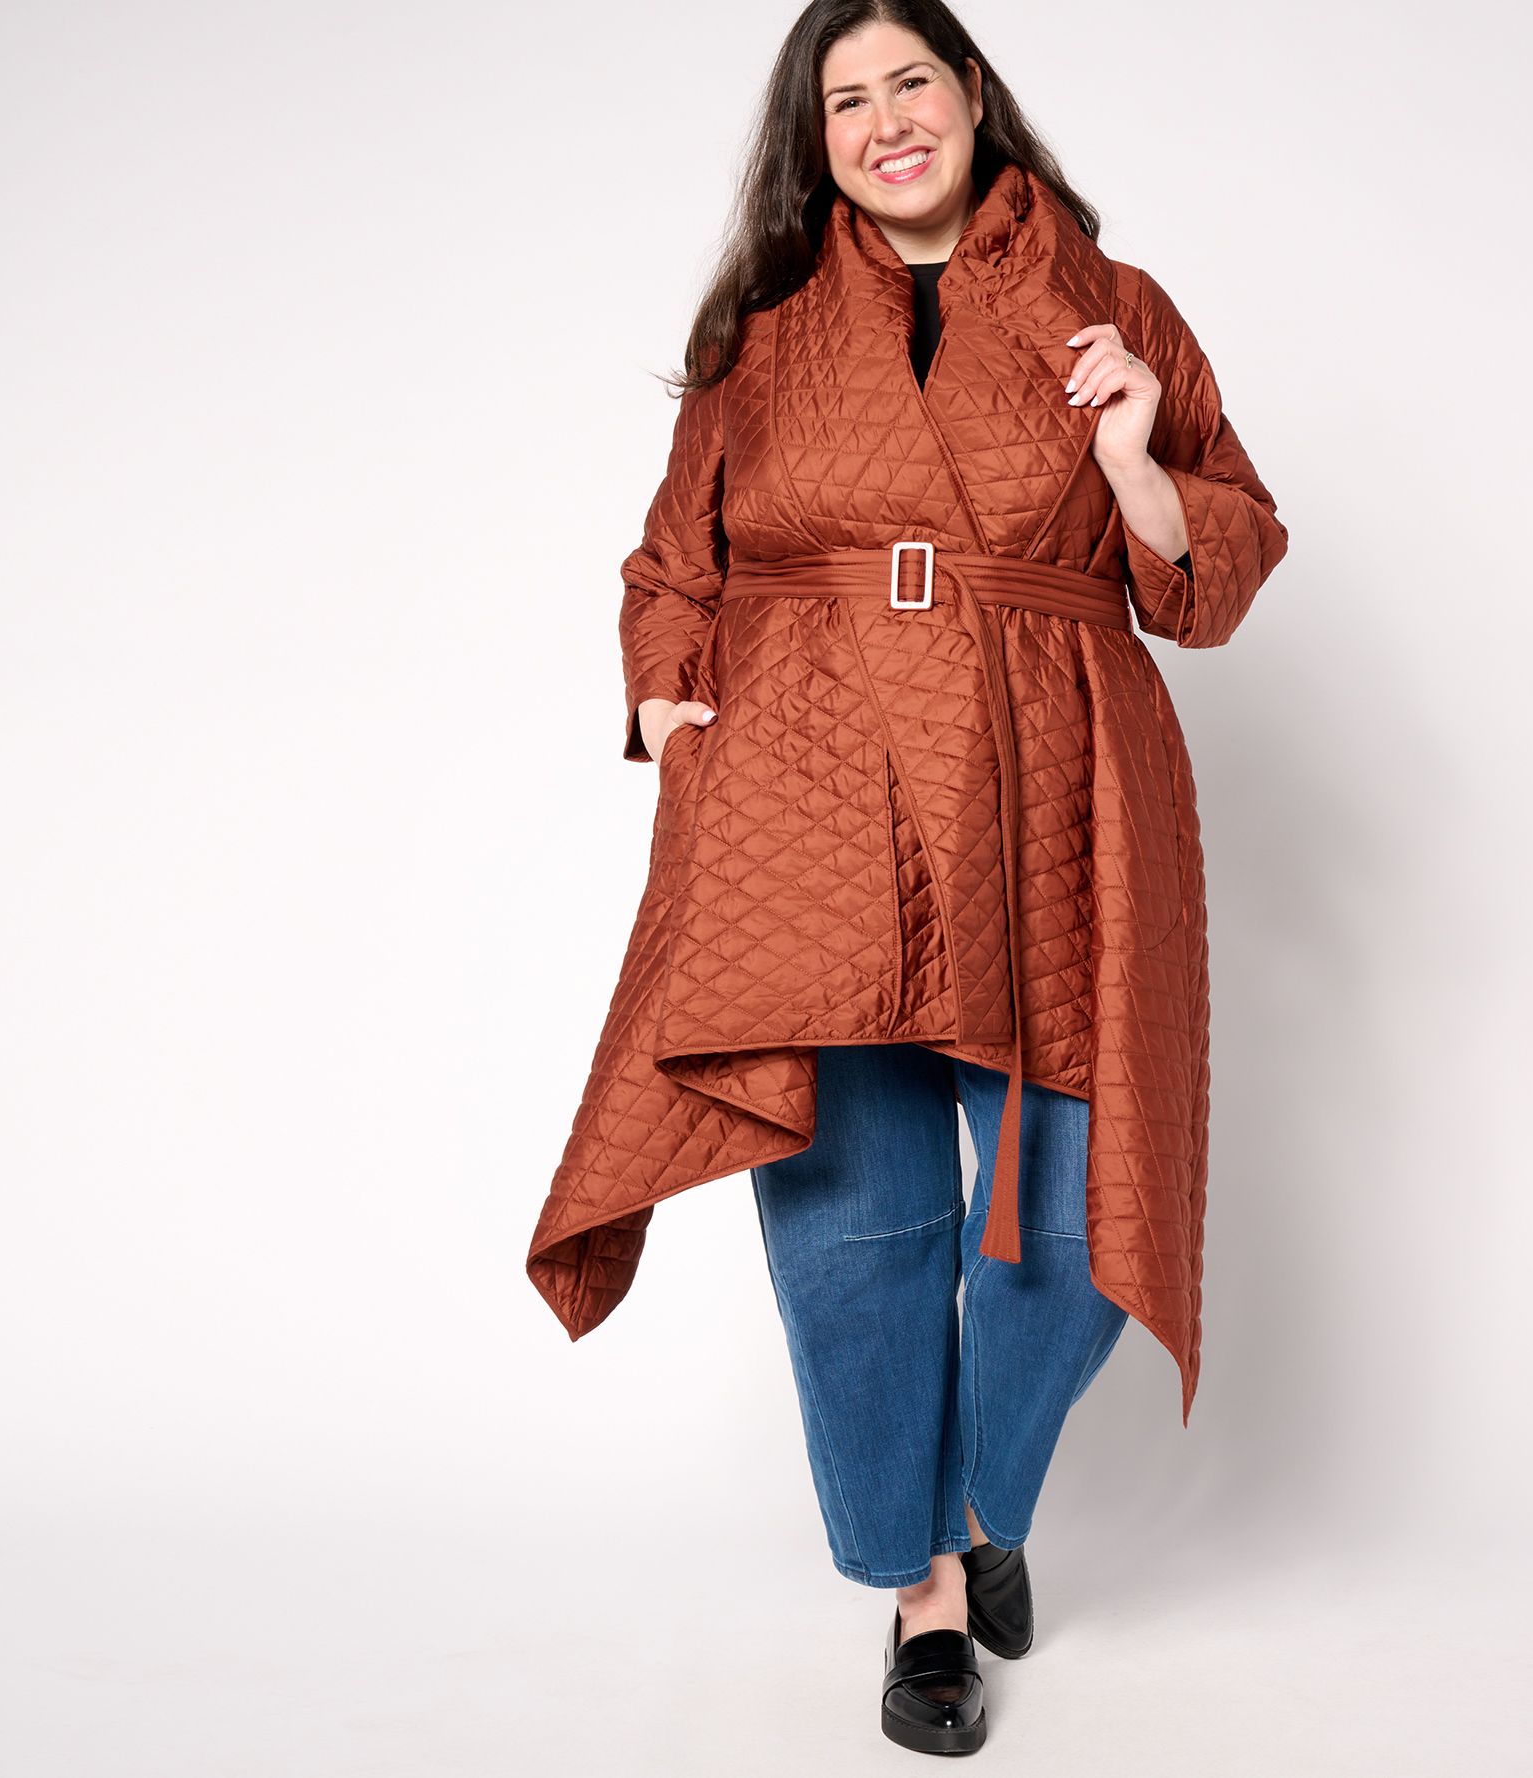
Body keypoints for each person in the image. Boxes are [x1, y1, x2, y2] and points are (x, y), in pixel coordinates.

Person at [525, 0, 1289, 1755]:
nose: (884, 122)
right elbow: (674, 559)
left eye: (910, 83)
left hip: (1052, 786)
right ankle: (926, 1588)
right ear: (819, 141)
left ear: (972, 94)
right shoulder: (763, 330)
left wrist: (1131, 452)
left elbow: (1220, 568)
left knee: (1078, 1220)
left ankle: (977, 1503)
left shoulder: (1115, 305)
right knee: (860, 1223)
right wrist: (670, 706)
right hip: (811, 787)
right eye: (845, 101)